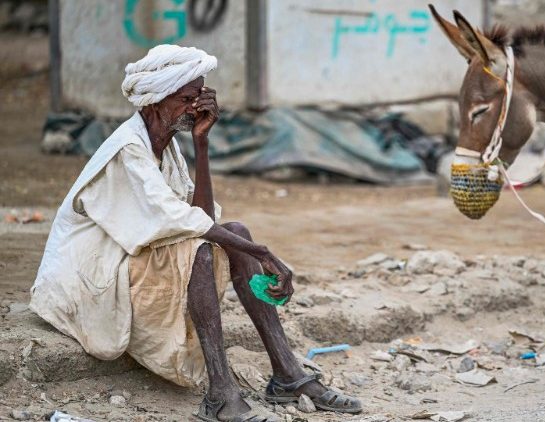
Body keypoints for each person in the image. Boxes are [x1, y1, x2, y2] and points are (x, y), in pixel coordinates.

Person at [29, 44, 361, 421]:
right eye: (187, 98)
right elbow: (182, 221)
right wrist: (263, 252)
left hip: (125, 264)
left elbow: (201, 216)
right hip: (88, 281)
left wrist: (202, 144)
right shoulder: (127, 150)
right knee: (201, 252)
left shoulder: (166, 148)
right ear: (155, 101)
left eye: (200, 97)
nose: (197, 108)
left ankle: (288, 374)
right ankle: (221, 393)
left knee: (234, 231)